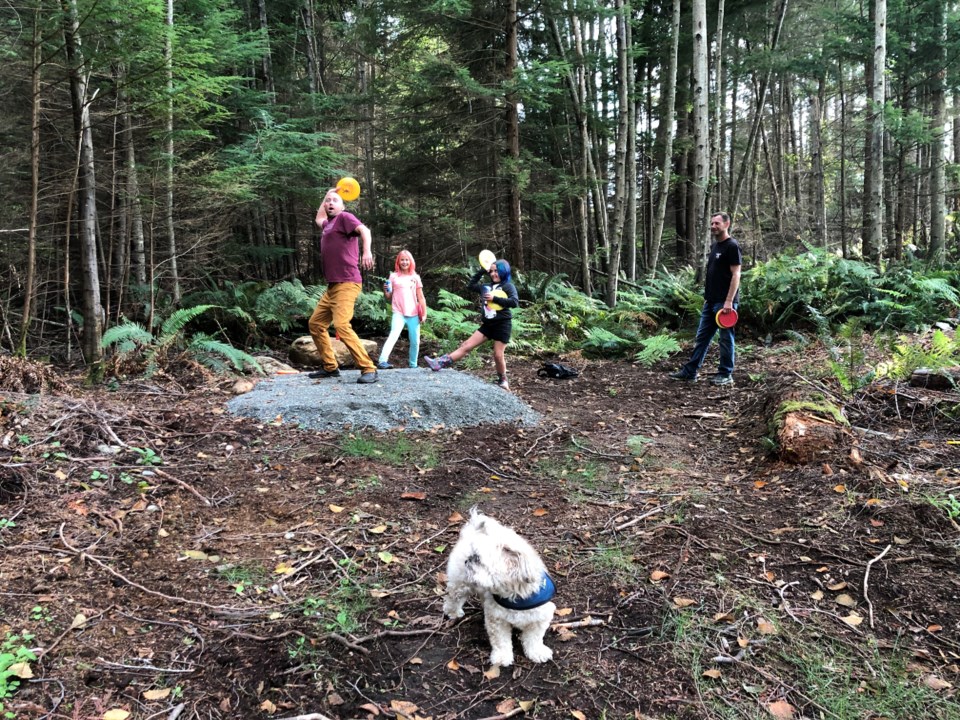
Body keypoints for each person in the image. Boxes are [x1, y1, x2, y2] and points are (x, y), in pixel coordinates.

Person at [306, 188, 379, 384]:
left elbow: (365, 230)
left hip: (347, 282)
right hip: (332, 287)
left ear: (342, 205)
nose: (330, 203)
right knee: (316, 324)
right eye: (328, 201)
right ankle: (330, 367)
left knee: (341, 325)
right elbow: (318, 218)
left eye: (334, 200)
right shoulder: (328, 225)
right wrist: (327, 194)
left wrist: (367, 251)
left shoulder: (345, 217)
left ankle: (368, 368)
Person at [669, 212, 742, 386]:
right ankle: (690, 372)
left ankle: (725, 374)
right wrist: (707, 298)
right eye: (712, 223)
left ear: (727, 224)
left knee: (726, 339)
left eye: (717, 223)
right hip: (711, 302)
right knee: (702, 337)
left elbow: (736, 274)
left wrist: (729, 301)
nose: (713, 226)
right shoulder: (715, 246)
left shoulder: (732, 246)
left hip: (725, 303)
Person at [425, 258, 518, 390]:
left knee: (498, 355)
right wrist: (481, 271)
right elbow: (470, 286)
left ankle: (503, 380)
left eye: (496, 271)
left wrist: (495, 299)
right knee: (466, 345)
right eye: (491, 271)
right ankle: (439, 363)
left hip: (502, 325)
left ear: (503, 272)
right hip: (487, 325)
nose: (493, 274)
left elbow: (514, 302)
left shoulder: (508, 286)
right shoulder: (486, 286)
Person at [377, 250, 427, 369]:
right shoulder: (393, 276)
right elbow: (388, 296)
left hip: (414, 313)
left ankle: (413, 365)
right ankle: (382, 361)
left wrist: (424, 314)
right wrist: (385, 290)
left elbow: (421, 297)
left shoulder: (415, 277)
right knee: (393, 335)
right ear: (398, 262)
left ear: (411, 262)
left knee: (415, 341)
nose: (404, 262)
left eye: (407, 260)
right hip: (398, 312)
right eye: (402, 260)